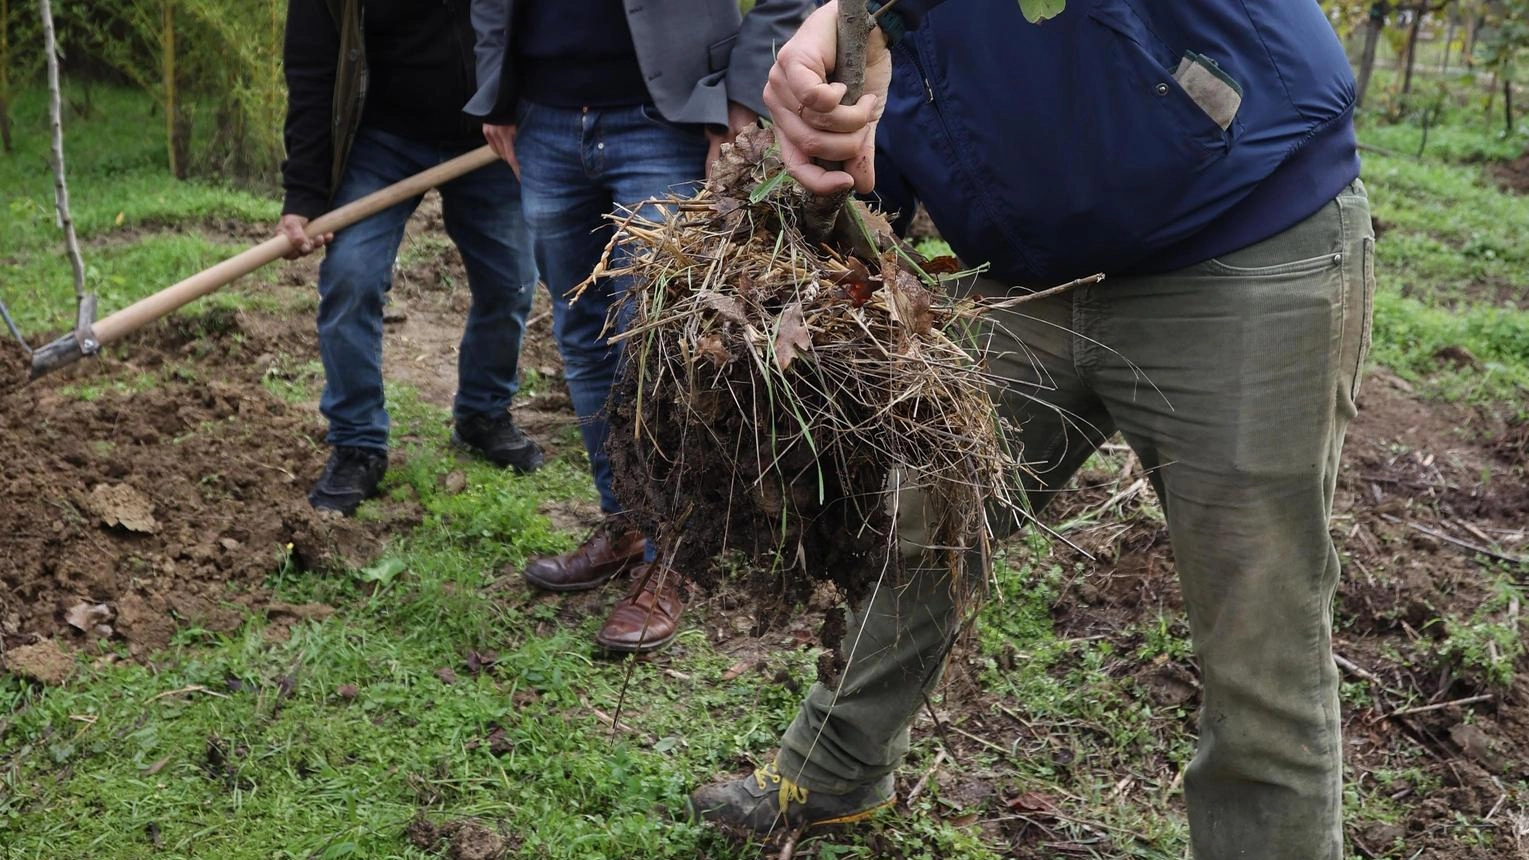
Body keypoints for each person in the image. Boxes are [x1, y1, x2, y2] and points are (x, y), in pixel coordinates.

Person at [689, 3, 1373, 858]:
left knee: (1255, 620)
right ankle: (832, 769)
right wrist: (852, 95)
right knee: (918, 525)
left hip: (1240, 235)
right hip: (1022, 266)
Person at [465, 0, 814, 652]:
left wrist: (742, 97)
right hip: (544, 120)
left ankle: (673, 554)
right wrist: (496, 87)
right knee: (583, 334)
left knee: (656, 347)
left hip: (668, 119)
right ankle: (624, 521)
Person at [280, 0, 542, 517]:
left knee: (511, 280)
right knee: (351, 277)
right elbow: (312, 71)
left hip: (490, 132)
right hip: (383, 140)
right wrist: (304, 196)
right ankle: (358, 443)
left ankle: (483, 414)